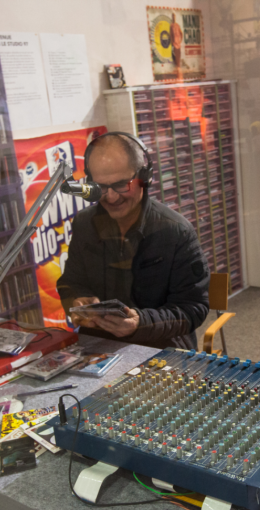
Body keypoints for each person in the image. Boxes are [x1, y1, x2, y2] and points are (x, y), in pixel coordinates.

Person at [57, 132, 210, 350]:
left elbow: (193, 309)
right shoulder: (84, 224)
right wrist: (77, 300)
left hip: (160, 348)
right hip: (99, 346)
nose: (111, 197)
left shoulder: (176, 231)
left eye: (121, 185)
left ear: (144, 177)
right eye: (100, 187)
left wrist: (140, 322)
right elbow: (70, 281)